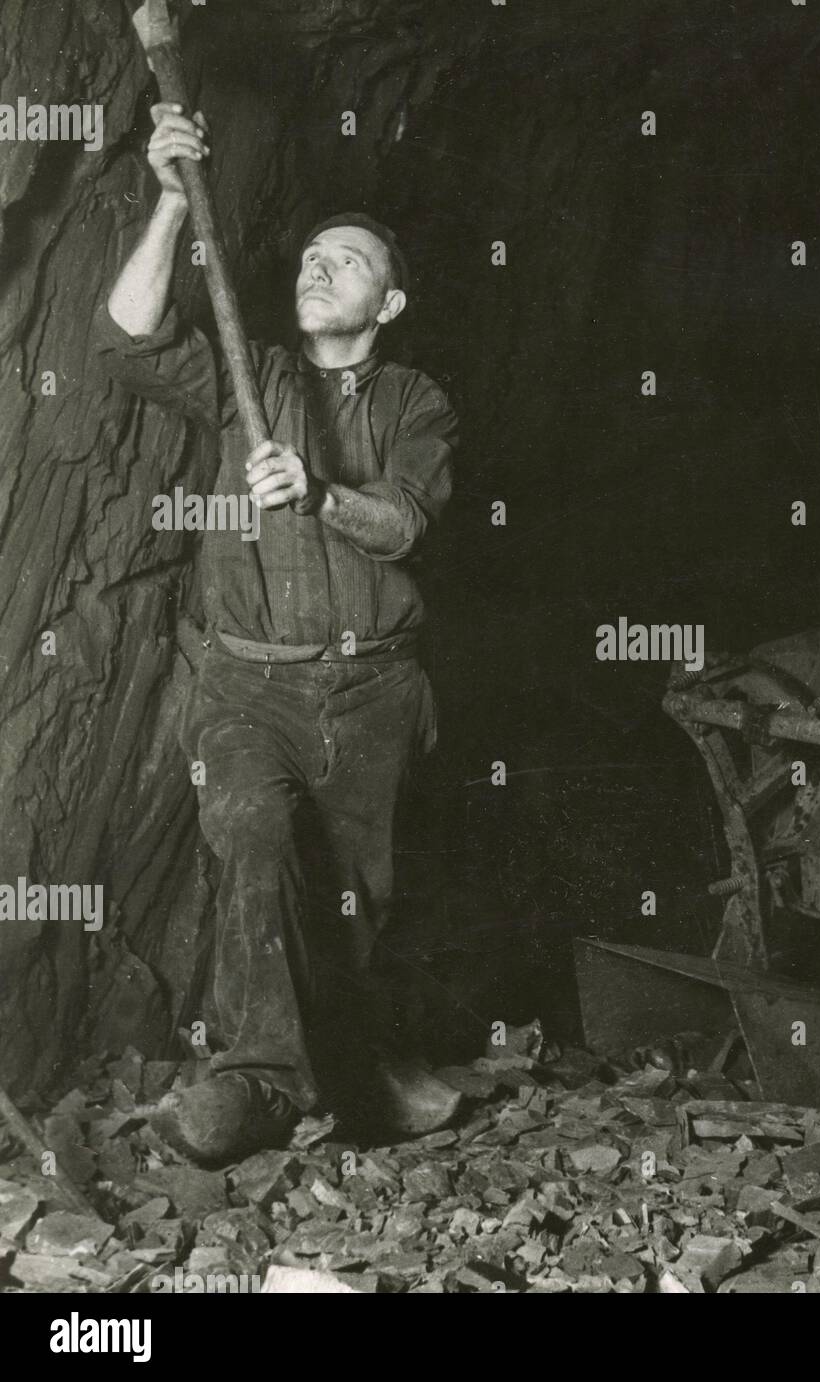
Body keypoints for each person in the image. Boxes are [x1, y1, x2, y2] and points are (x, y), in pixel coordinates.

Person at [93, 103, 462, 1162]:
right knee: (256, 835)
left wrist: (319, 492)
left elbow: (402, 521)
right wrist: (170, 202)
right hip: (244, 685)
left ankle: (360, 1071)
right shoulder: (243, 373)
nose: (317, 268)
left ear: (386, 301)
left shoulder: (416, 401)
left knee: (355, 896)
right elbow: (126, 337)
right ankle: (259, 1082)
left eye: (344, 262)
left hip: (375, 690)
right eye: (309, 256)